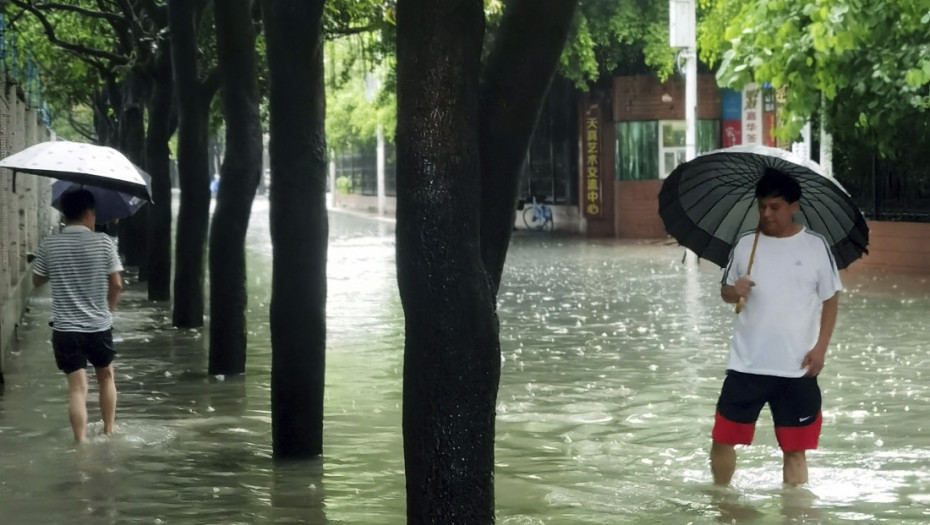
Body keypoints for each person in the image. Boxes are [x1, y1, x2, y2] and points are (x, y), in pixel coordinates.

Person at [711, 167, 842, 487]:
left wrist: (821, 348)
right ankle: (722, 501)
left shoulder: (815, 246)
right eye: (762, 206)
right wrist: (735, 291)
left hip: (796, 367)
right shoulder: (745, 245)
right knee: (721, 439)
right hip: (746, 365)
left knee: (795, 451)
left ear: (793, 207)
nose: (767, 214)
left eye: (775, 207)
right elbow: (725, 292)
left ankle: (794, 514)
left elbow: (831, 298)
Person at [32, 189, 124, 443]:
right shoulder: (104, 242)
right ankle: (109, 430)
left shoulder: (50, 243)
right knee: (105, 377)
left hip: (65, 329)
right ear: (89, 213)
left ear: (64, 214)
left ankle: (81, 442)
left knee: (76, 386)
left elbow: (37, 280)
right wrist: (108, 310)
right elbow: (116, 284)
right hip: (98, 326)